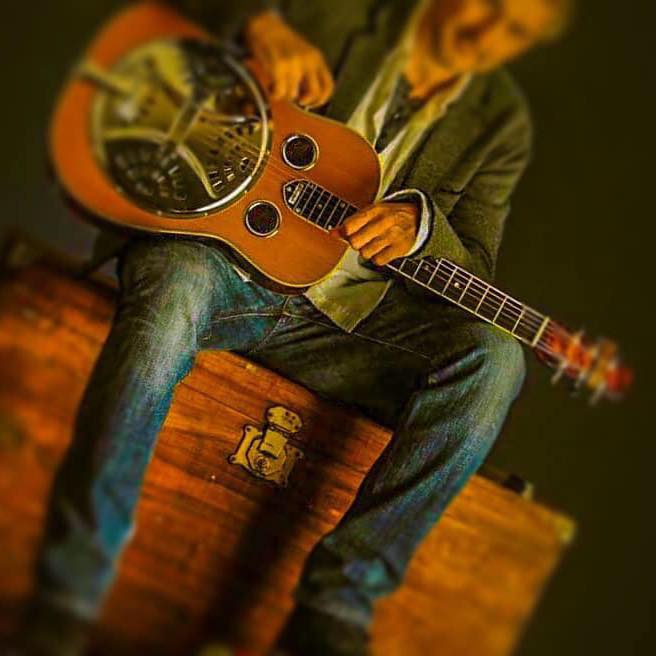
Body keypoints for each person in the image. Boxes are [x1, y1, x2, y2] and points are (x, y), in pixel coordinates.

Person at [14, 0, 572, 654]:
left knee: (496, 361)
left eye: (516, 31)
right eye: (490, 4)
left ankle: (333, 612)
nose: (489, 33)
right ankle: (68, 593)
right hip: (224, 274)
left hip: (347, 331)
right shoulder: (340, 10)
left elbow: (474, 259)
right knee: (174, 286)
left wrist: (422, 227)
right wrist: (260, 23)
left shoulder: (500, 120)